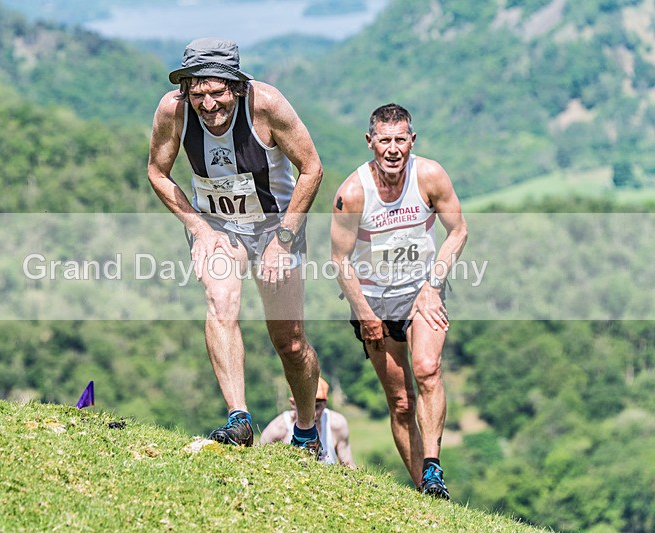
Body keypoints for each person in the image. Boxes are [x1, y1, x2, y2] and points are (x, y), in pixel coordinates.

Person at [147, 37, 324, 453]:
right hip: (219, 226)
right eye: (198, 93)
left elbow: (312, 168)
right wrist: (200, 230)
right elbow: (157, 172)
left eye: (217, 92)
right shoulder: (172, 112)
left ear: (237, 87)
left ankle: (306, 428)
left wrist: (283, 239)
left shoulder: (267, 106)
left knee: (291, 342)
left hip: (275, 225)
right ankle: (239, 418)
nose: (208, 106)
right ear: (186, 89)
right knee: (220, 300)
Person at [330, 103, 468, 499]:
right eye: (385, 141)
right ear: (370, 142)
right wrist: (364, 313)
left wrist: (432, 285)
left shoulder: (430, 176)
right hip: (373, 302)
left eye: (401, 140)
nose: (393, 149)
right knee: (402, 402)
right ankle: (425, 492)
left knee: (427, 369)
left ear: (412, 141)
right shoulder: (352, 193)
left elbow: (457, 231)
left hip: (422, 294)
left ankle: (434, 470)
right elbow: (339, 260)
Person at [259, 377, 356, 468]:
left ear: (325, 404)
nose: (312, 414)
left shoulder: (336, 424)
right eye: (305, 407)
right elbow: (259, 460)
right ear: (293, 404)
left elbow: (347, 464)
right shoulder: (277, 428)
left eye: (317, 407)